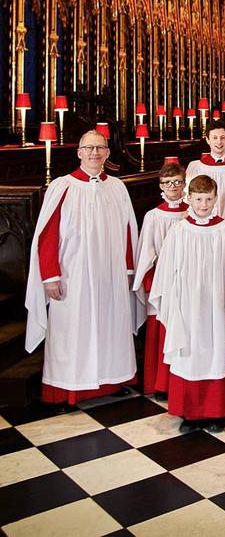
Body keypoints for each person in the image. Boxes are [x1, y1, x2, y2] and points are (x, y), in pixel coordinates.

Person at [25, 130, 140, 411]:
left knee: (110, 326)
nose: (94, 153)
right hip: (72, 274)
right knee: (73, 330)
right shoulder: (63, 187)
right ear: (79, 153)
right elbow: (47, 235)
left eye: (99, 148)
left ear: (108, 153)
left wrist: (127, 269)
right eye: (88, 148)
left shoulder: (116, 187)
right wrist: (50, 276)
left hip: (110, 274)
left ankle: (111, 381)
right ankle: (66, 391)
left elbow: (128, 231)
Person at [150, 175, 225, 433]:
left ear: (216, 199)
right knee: (190, 354)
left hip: (217, 303)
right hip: (187, 305)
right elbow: (166, 271)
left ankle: (216, 412)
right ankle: (190, 413)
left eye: (208, 199)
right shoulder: (179, 231)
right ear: (190, 199)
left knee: (215, 354)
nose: (203, 205)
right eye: (198, 199)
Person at [132, 162, 189, 397]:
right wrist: (147, 283)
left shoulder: (192, 212)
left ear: (184, 184)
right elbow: (146, 251)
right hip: (161, 282)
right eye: (167, 183)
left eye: (177, 182)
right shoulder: (153, 216)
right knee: (161, 329)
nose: (173, 187)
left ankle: (178, 381)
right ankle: (159, 383)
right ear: (161, 186)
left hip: (186, 282)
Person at [185, 120, 225, 214]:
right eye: (214, 138)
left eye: (222, 137)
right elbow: (188, 197)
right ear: (207, 140)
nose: (219, 142)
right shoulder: (196, 166)